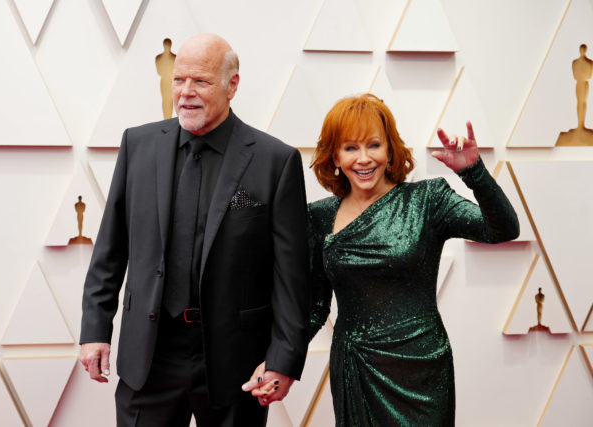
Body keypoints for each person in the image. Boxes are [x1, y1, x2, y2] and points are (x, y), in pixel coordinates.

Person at [79, 33, 310, 427]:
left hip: (234, 360)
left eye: (200, 81)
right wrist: (95, 329)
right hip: (148, 355)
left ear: (231, 85)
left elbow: (290, 276)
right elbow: (110, 248)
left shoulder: (276, 161)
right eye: (178, 80)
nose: (185, 92)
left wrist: (283, 359)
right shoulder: (138, 144)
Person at [302, 94, 519, 425]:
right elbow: (315, 308)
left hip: (422, 369)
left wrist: (474, 172)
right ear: (334, 155)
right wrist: (273, 361)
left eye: (373, 145)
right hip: (356, 367)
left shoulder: (428, 200)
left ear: (389, 150)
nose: (363, 159)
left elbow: (502, 229)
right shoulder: (318, 217)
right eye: (350, 148)